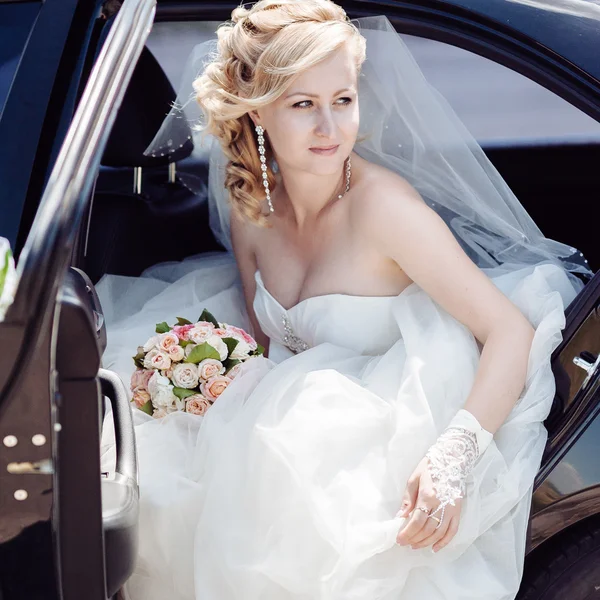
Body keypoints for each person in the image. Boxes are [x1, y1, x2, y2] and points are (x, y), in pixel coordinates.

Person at [98, 1, 591, 598]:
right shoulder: (251, 203)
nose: (331, 129)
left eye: (343, 100)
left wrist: (451, 459)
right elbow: (263, 338)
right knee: (132, 452)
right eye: (303, 105)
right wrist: (216, 376)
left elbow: (508, 332)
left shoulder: (386, 210)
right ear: (257, 112)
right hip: (291, 410)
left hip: (395, 416)